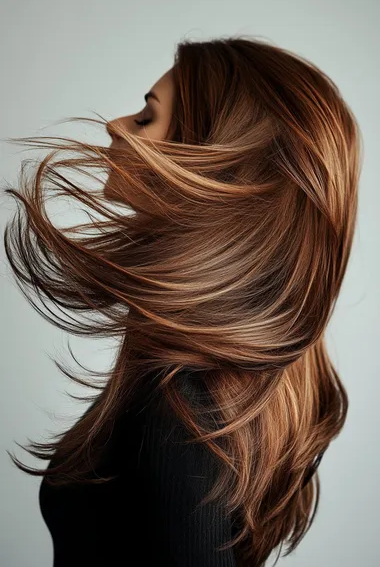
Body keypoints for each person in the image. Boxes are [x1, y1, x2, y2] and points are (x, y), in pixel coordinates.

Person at [4, 36, 363, 567]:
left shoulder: (181, 414)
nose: (115, 126)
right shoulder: (219, 395)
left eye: (147, 118)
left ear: (217, 163)